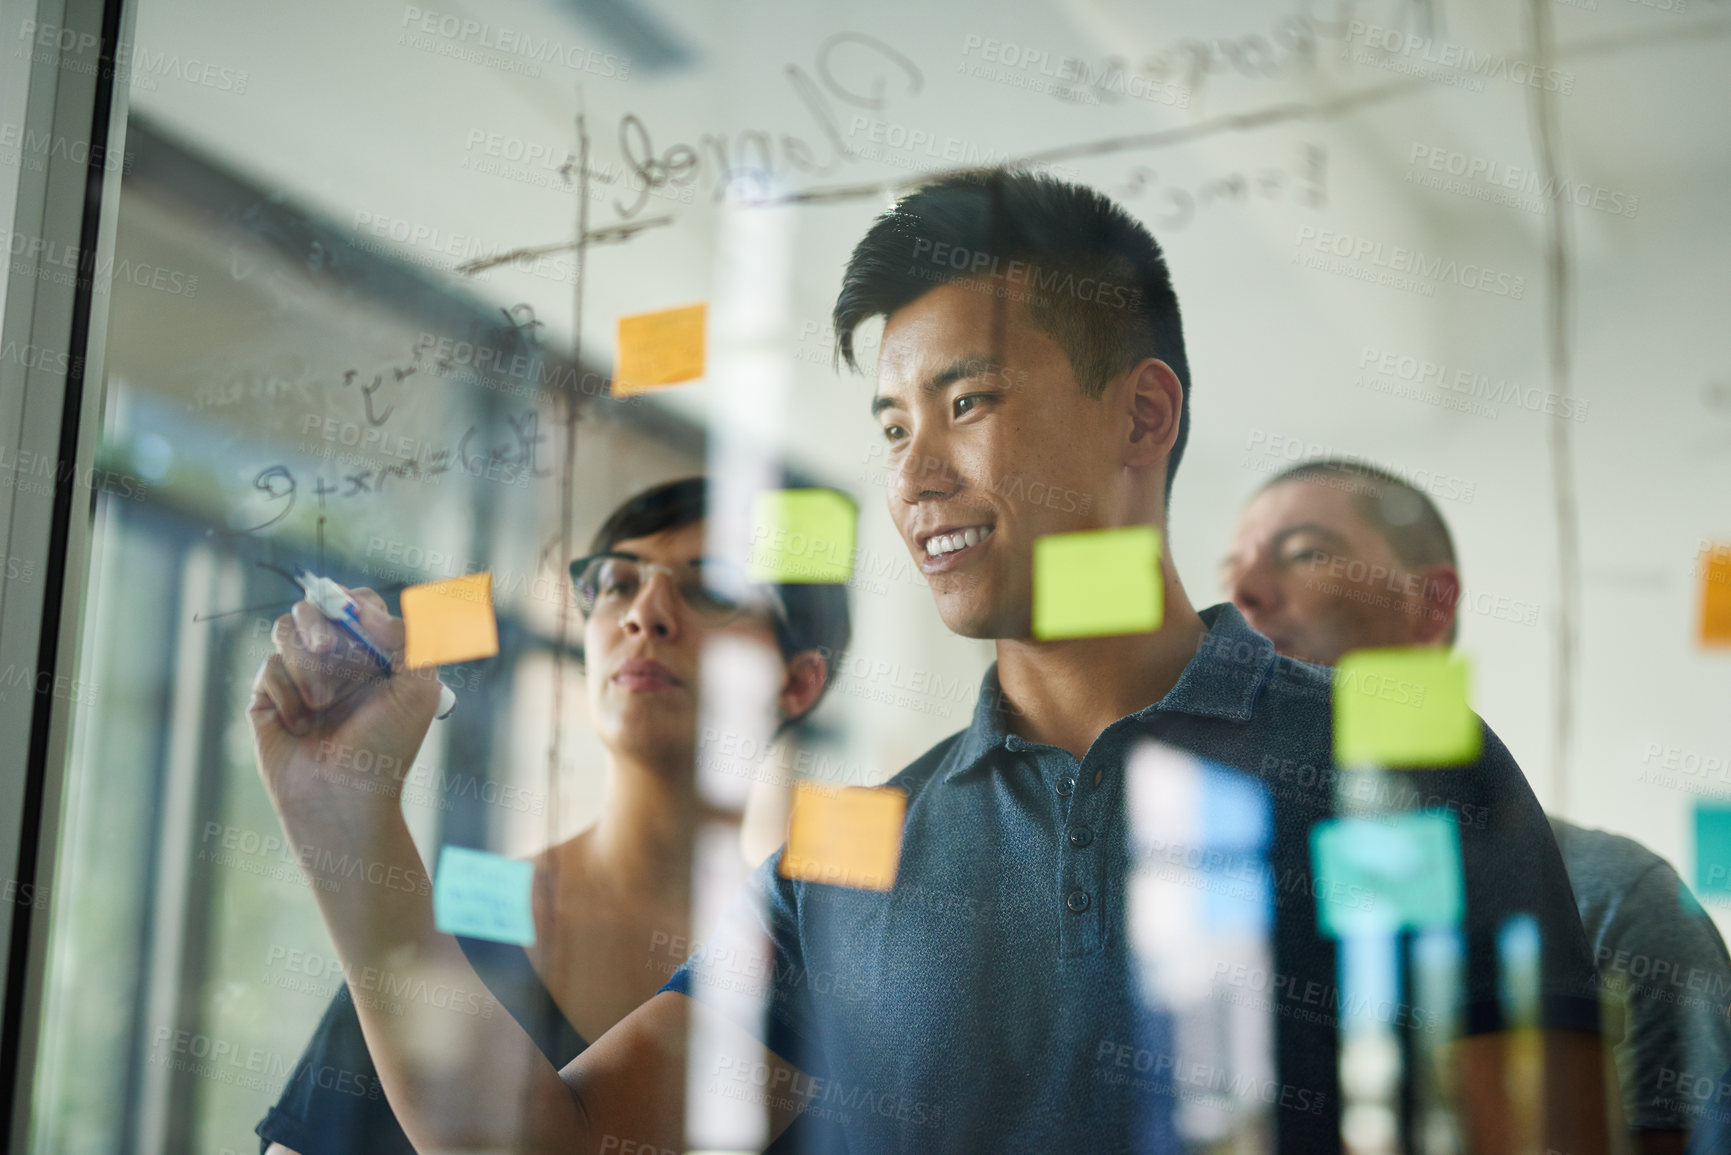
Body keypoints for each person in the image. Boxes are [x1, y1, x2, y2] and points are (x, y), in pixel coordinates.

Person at [252, 171, 1608, 1153]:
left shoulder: (1398, 765)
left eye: (968, 400)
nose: (914, 470)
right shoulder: (850, 849)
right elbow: (549, 1140)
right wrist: (346, 827)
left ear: (1140, 411)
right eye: (891, 421)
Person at [252, 476, 847, 1154]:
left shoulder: (803, 958)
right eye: (618, 582)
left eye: (712, 590)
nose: (644, 614)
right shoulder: (465, 913)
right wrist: (346, 813)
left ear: (797, 681)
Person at [1224, 456, 1731, 1154]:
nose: (1241, 592)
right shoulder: (1211, 904)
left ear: (1427, 602)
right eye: (1233, 566)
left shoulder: (1613, 901)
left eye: (1305, 552)